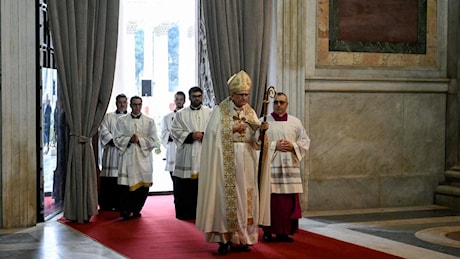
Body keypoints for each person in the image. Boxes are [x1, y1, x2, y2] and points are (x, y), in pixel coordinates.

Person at [195, 70, 270, 255]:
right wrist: (231, 128)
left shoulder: (250, 111)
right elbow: (211, 136)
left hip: (247, 160)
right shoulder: (221, 110)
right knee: (227, 199)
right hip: (225, 163)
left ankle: (244, 238)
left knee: (247, 197)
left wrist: (261, 131)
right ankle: (225, 239)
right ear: (232, 95)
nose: (244, 98)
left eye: (246, 95)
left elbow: (255, 139)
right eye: (241, 95)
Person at [260, 92, 310, 242]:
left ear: (287, 104)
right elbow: (256, 143)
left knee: (288, 201)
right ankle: (268, 231)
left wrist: (292, 146)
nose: (278, 105)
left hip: (289, 169)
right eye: (276, 102)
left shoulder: (295, 122)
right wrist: (275, 145)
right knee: (272, 201)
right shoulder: (264, 121)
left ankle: (285, 232)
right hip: (272, 167)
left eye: (282, 102)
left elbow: (305, 141)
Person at [114, 96, 161, 220]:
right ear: (130, 105)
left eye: (139, 104)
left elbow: (154, 140)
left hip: (143, 157)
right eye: (134, 104)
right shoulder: (122, 121)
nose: (137, 107)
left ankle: (136, 209)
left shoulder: (149, 121)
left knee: (142, 186)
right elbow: (116, 138)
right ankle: (125, 209)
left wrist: (139, 140)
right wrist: (129, 139)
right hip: (127, 157)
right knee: (125, 185)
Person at [170, 87, 212, 220]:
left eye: (199, 96)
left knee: (202, 186)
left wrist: (203, 135)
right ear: (189, 97)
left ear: (202, 97)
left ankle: (202, 214)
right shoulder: (181, 114)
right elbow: (174, 131)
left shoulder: (210, 113)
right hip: (186, 155)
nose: (197, 98)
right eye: (194, 96)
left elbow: (215, 131)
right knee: (185, 187)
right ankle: (185, 213)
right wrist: (190, 136)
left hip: (203, 154)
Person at [98, 94, 128, 211]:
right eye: (120, 102)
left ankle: (122, 204)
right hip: (111, 152)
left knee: (123, 180)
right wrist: (115, 141)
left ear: (127, 103)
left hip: (124, 153)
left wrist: (123, 141)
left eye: (124, 102)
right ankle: (107, 204)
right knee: (110, 180)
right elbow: (103, 130)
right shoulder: (108, 117)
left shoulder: (130, 118)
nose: (122, 104)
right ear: (116, 103)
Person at [160, 91, 186, 181]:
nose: (179, 101)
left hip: (185, 149)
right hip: (172, 150)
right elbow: (163, 134)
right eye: (177, 99)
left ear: (184, 101)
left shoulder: (188, 115)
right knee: (174, 180)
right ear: (174, 100)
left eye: (181, 99)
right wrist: (170, 135)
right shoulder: (167, 117)